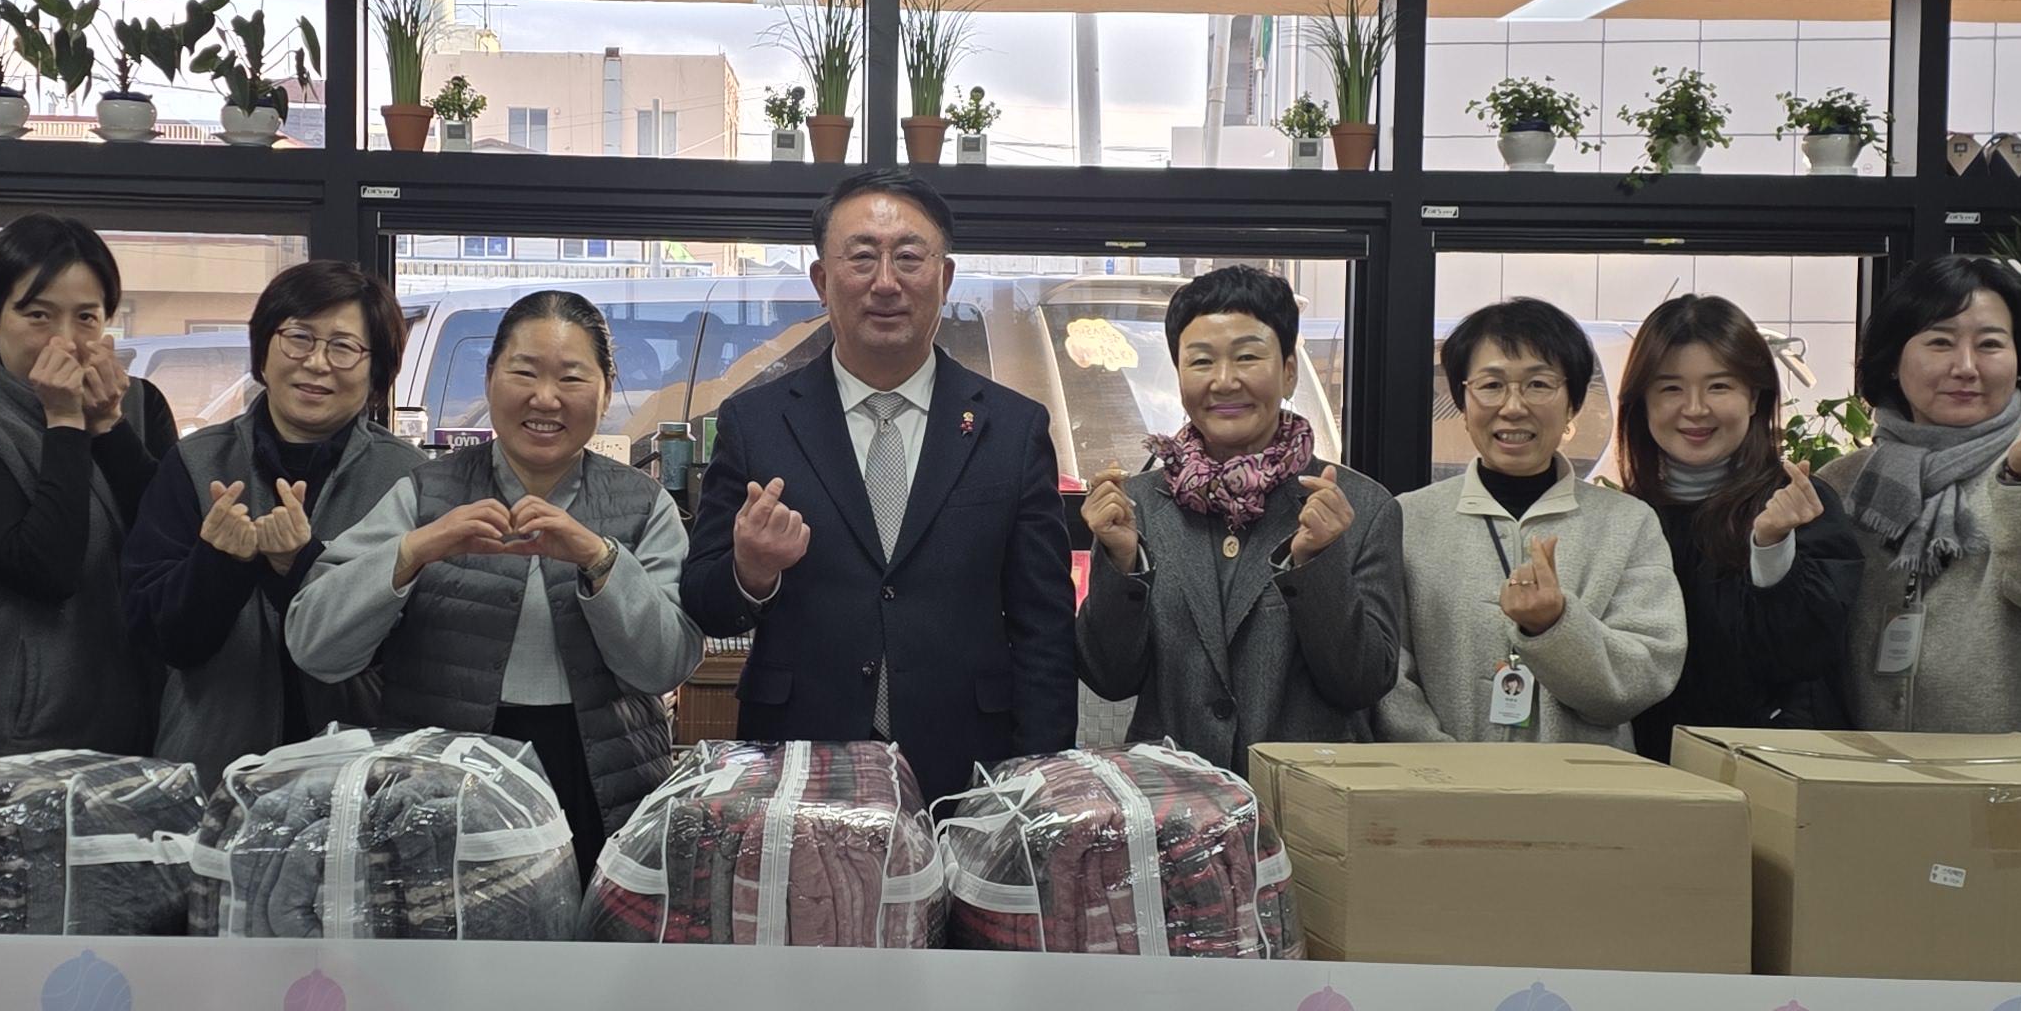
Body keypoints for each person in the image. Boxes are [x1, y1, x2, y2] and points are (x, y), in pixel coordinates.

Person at [679, 171, 1075, 799]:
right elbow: (703, 601)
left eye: (909, 258)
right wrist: (751, 572)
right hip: (800, 762)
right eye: (862, 257)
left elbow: (1044, 629)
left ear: (944, 278)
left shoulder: (1012, 428)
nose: (886, 282)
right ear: (821, 281)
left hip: (969, 767)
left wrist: (1041, 782)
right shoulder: (755, 424)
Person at [292, 290, 703, 869]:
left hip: (603, 783)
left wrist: (598, 557)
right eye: (524, 372)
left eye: (571, 378)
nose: (545, 398)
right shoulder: (423, 493)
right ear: (489, 379)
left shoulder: (645, 503)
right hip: (439, 786)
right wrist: (417, 549)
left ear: (606, 391)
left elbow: (665, 666)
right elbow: (315, 646)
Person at [1081, 265, 1407, 769]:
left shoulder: (1360, 507)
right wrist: (1121, 564)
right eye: (1201, 361)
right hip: (1176, 796)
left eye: (1248, 357)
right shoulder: (1138, 505)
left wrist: (1318, 564)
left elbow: (1361, 684)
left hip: (1307, 796)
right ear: (1179, 375)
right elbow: (1109, 677)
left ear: (1289, 371)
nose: (1224, 380)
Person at [126, 259, 423, 784]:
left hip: (361, 777)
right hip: (216, 769)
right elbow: (161, 639)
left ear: (377, 371)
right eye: (299, 338)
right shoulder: (195, 463)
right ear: (264, 347)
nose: (316, 363)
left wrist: (301, 567)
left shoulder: (408, 479)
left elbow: (418, 650)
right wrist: (218, 565)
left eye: (343, 347)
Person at [1820, 255, 2021, 750]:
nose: (1965, 367)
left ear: (2020, 362)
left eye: (1990, 344)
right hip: (1878, 769)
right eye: (1940, 342)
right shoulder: (1846, 483)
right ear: (1894, 361)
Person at [0, 215, 175, 758]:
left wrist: (108, 425)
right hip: (14, 724)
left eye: (86, 317)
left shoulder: (139, 404)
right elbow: (44, 569)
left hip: (146, 707)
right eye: (38, 315)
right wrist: (66, 422)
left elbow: (170, 539)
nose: (66, 340)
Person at [1371, 294, 1679, 746]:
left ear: (1572, 402)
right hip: (1440, 783)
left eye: (1538, 384)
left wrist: (1556, 627)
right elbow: (1385, 672)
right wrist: (1444, 766)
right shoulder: (1409, 518)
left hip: (1583, 785)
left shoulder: (1627, 524)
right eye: (1491, 385)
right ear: (1463, 401)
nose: (1513, 406)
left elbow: (1646, 674)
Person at [1610, 293, 1862, 756]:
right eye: (1670, 389)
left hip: (1771, 771)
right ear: (1641, 402)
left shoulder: (1798, 505)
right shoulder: (1625, 520)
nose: (1695, 408)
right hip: (1647, 771)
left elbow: (1804, 656)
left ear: (1754, 397)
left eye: (1719, 386)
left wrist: (1771, 547)